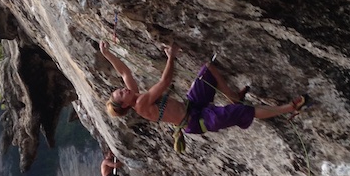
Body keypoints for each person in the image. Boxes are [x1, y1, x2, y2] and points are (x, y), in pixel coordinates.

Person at [100, 40, 308, 145]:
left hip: (192, 106)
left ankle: (233, 96)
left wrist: (107, 53)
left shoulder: (134, 95)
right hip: (196, 121)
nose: (123, 89)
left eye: (120, 90)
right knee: (243, 112)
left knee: (208, 70)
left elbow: (124, 72)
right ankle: (289, 108)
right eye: (121, 94)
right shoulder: (141, 104)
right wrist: (171, 57)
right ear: (125, 105)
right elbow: (165, 82)